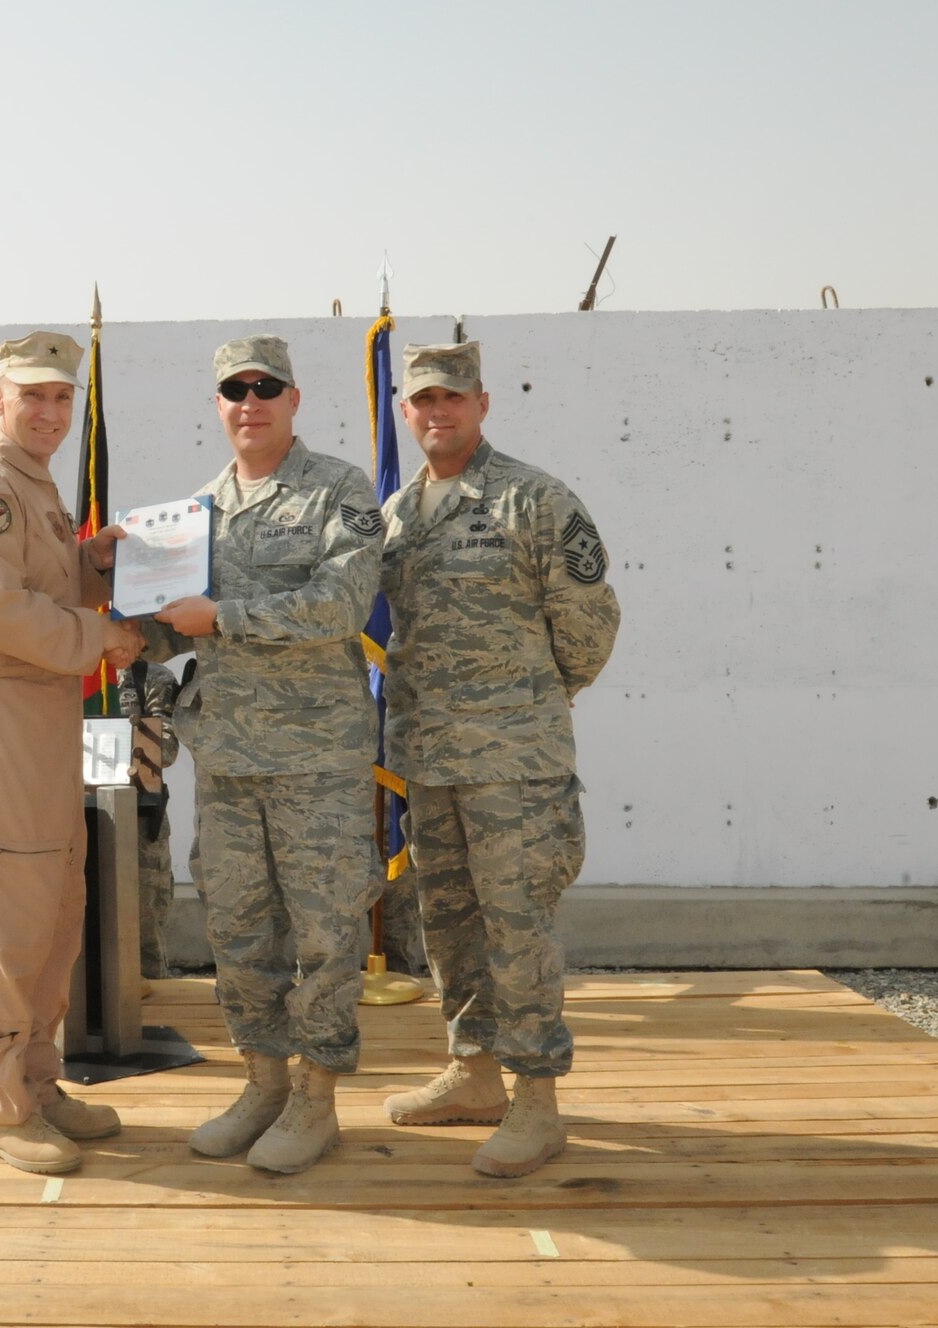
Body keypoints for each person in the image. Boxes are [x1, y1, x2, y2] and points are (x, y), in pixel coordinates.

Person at [141, 334, 384, 1175]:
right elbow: (162, 625)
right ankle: (263, 1082)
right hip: (228, 760)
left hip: (317, 757)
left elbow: (344, 603)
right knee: (239, 927)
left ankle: (316, 1099)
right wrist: (106, 601)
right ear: (218, 405)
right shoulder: (190, 513)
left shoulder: (339, 491)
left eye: (266, 387)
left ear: (294, 399)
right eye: (234, 390)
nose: (250, 402)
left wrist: (227, 616)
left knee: (324, 928)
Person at [376, 342, 620, 1178]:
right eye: (422, 400)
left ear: (483, 403)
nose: (436, 411)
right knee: (450, 925)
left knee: (519, 930)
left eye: (452, 396)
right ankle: (474, 1073)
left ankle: (538, 1099)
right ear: (405, 412)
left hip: (515, 764)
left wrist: (533, 705)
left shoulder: (535, 499)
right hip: (432, 761)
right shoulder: (400, 514)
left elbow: (587, 624)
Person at [0, 330, 144, 1175]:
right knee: (5, 910)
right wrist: (105, 632)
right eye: (33, 396)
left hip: (42, 713)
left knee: (53, 897)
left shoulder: (34, 488)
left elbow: (39, 588)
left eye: (62, 398)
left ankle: (37, 1081)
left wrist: (93, 563)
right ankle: (2, 1110)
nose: (50, 412)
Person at [117, 659, 180, 979]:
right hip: (65, 820)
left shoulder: (150, 677)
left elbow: (165, 750)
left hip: (138, 823)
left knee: (146, 939)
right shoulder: (54, 668)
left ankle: (155, 1016)